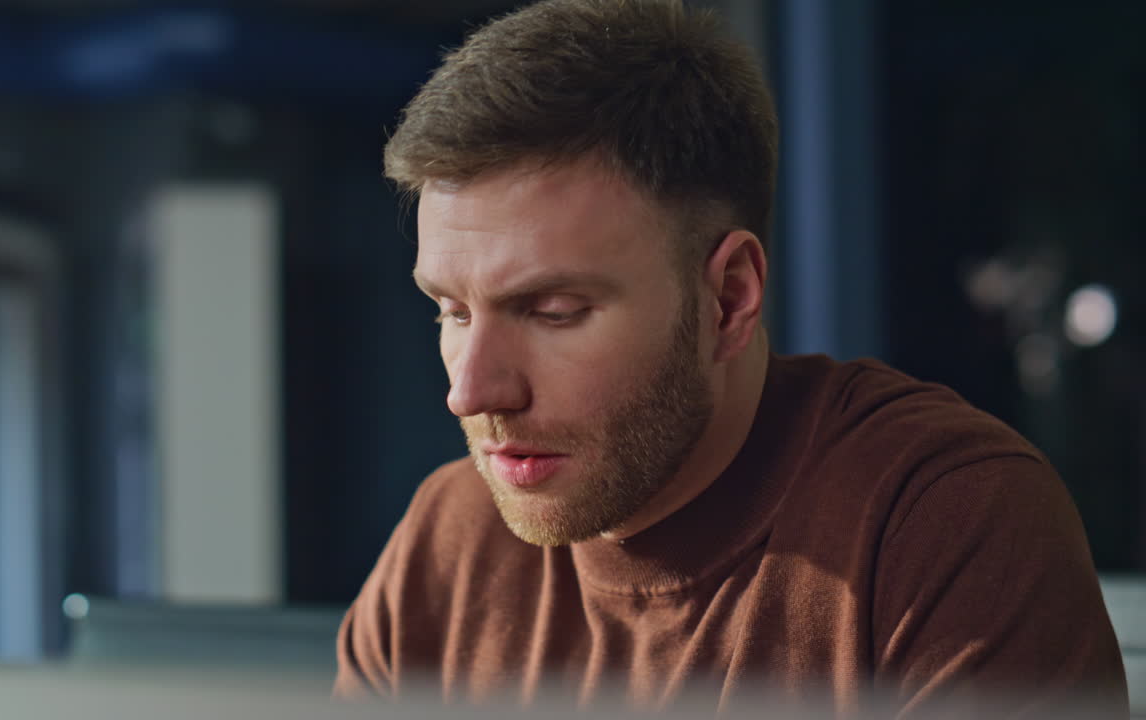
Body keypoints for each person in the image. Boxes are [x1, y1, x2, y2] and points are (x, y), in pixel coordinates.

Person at [334, 0, 1128, 715]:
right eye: (452, 310)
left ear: (729, 298)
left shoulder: (937, 522)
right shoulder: (450, 543)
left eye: (553, 312)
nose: (471, 391)